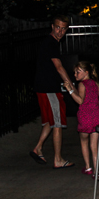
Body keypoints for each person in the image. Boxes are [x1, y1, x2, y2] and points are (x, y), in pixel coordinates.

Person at [30, 15, 75, 169]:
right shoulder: (51, 43)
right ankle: (58, 159)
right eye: (58, 27)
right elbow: (59, 66)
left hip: (44, 87)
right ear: (52, 26)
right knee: (57, 122)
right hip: (48, 89)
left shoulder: (50, 42)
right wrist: (70, 84)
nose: (60, 31)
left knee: (50, 120)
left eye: (63, 28)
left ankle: (38, 148)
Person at [65, 61, 99, 176]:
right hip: (96, 116)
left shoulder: (82, 84)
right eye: (75, 72)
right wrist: (94, 105)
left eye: (78, 72)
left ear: (86, 72)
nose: (75, 75)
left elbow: (80, 100)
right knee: (94, 145)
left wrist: (70, 90)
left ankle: (88, 167)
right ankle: (96, 171)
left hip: (85, 117)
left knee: (84, 141)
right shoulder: (96, 83)